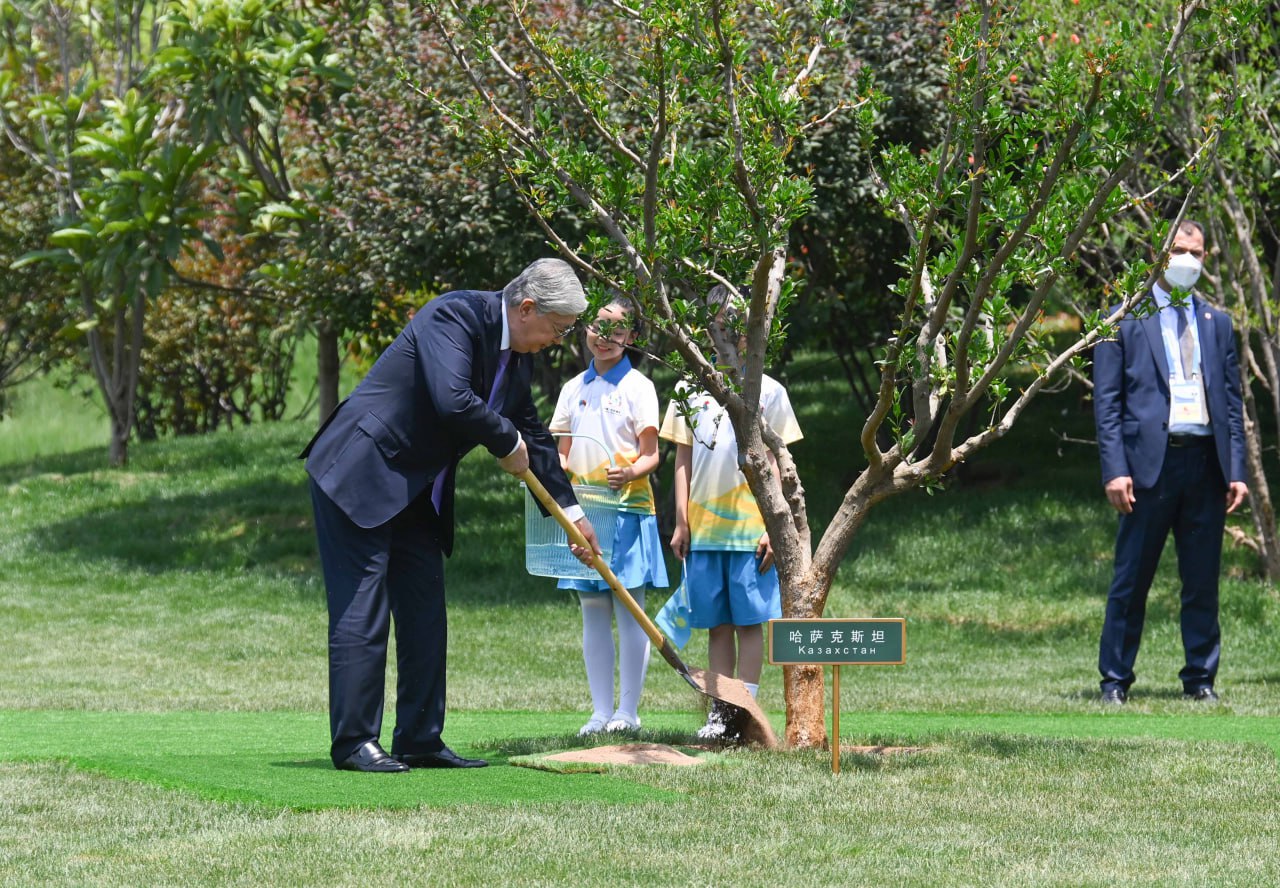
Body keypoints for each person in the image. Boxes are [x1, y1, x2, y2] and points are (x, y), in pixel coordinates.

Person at [302, 258, 599, 771]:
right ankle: (354, 743)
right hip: (360, 473)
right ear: (527, 308)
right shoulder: (454, 317)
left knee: (424, 615)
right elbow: (452, 399)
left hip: (416, 492)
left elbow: (532, 433)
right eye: (558, 329)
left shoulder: (517, 359)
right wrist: (504, 440)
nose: (558, 340)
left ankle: (419, 737)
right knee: (363, 611)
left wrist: (570, 512)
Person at [1093, 220, 1248, 705]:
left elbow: (1230, 402)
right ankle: (1115, 680)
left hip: (1204, 465)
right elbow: (1108, 404)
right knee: (1131, 581)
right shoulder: (1123, 320)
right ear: (1159, 255)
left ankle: (1200, 679)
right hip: (1147, 470)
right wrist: (1115, 469)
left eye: (1197, 253)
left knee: (1201, 582)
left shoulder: (1216, 322)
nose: (1188, 260)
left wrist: (1237, 470)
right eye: (1179, 250)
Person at [659, 288, 803, 739]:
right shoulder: (688, 389)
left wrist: (771, 526)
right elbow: (682, 461)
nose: (730, 334)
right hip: (703, 533)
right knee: (716, 625)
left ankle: (746, 713)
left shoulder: (769, 392)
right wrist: (681, 521)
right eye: (721, 323)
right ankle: (721, 716)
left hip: (750, 533)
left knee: (748, 624)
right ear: (707, 329)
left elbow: (780, 463)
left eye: (740, 325)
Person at [549, 300, 669, 736]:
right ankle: (600, 712)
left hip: (628, 512)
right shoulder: (571, 389)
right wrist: (557, 473)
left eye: (615, 329)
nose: (603, 336)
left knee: (629, 607)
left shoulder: (639, 387)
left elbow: (651, 454)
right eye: (597, 326)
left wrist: (631, 471)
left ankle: (628, 712)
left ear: (631, 337)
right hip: (584, 514)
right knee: (592, 608)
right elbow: (560, 452)